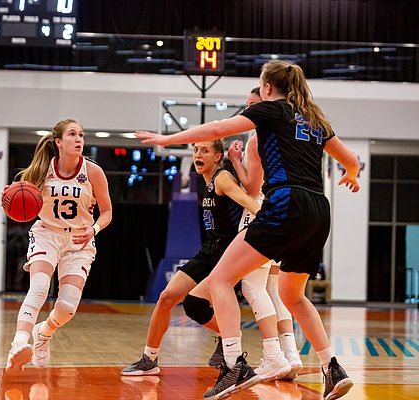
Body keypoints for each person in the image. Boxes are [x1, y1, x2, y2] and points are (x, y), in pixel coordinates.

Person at [137, 60, 359, 400]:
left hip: (287, 202)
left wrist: (168, 139)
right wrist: (352, 175)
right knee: (292, 295)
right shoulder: (315, 119)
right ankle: (332, 367)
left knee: (222, 279)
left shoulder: (271, 110)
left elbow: (215, 131)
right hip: (319, 210)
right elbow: (350, 159)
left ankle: (235, 363)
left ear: (267, 88)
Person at [180, 88, 302, 383]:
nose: (247, 110)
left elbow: (251, 185)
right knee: (277, 289)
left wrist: (235, 162)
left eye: (251, 104)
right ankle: (290, 355)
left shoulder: (259, 137)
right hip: (292, 208)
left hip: (263, 209)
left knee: (252, 286)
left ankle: (273, 356)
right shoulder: (290, 130)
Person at [122, 139, 261, 376]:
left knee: (194, 305)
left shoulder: (222, 178)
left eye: (205, 150)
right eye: (196, 150)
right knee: (166, 297)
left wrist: (278, 226)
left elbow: (249, 203)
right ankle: (150, 358)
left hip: (228, 253)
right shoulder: (205, 182)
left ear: (217, 157)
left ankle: (230, 342)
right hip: (210, 249)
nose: (198, 154)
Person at [5, 118, 112, 374]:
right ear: (59, 142)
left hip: (79, 241)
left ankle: (43, 333)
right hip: (47, 235)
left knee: (66, 308)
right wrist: (8, 197)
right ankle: (18, 344)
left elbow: (107, 212)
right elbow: (19, 196)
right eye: (73, 134)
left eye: (81, 135)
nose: (79, 140)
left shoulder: (93, 172)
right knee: (40, 287)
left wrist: (93, 229)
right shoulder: (42, 170)